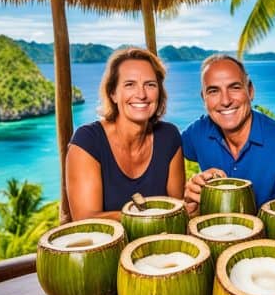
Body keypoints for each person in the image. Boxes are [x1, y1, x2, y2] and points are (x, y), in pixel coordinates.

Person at [65, 48, 185, 221]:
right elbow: (86, 220)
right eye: (130, 85)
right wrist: (149, 215)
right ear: (113, 93)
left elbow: (177, 209)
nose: (142, 94)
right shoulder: (88, 141)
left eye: (150, 84)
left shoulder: (169, 136)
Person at [182, 54, 275, 215]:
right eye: (214, 91)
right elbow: (164, 146)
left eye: (234, 87)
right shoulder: (197, 132)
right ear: (204, 98)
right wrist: (192, 188)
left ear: (250, 90)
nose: (225, 100)